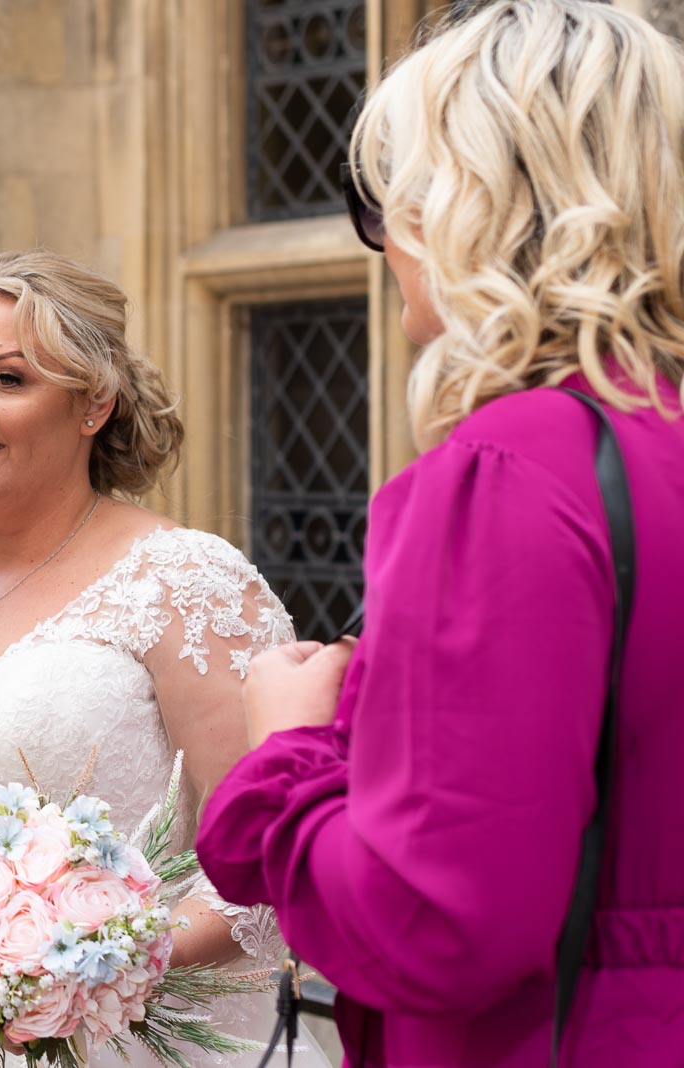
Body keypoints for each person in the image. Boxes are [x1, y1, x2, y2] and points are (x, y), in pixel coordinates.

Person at [195, 3, 684, 1066]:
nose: (380, 244)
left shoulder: (506, 470)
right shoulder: (660, 440)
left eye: (390, 198)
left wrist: (288, 748)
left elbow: (438, 924)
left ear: (472, 200)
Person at [0, 250, 329, 1067]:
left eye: (7, 380)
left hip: (123, 1037)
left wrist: (78, 965)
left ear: (93, 404)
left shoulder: (183, 581)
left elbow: (268, 862)